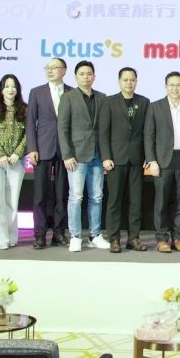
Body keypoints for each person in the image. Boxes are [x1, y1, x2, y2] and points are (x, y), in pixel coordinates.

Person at [58, 60, 110, 252]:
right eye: (82, 74)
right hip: (76, 156)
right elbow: (62, 128)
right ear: (75, 77)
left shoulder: (102, 98)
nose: (86, 77)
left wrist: (105, 156)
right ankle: (75, 236)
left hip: (97, 155)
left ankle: (95, 235)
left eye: (89, 74)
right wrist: (67, 154)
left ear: (94, 76)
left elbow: (104, 130)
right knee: (76, 197)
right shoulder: (68, 97)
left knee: (97, 196)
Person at [98, 66, 151, 253]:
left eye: (132, 80)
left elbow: (147, 132)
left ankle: (134, 238)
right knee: (115, 201)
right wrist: (106, 157)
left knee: (136, 201)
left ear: (136, 81)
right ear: (119, 81)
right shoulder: (109, 102)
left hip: (137, 160)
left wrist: (147, 155)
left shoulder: (144, 102)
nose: (129, 83)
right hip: (116, 159)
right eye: (125, 80)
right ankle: (114, 238)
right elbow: (103, 132)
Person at [25, 57, 73, 249]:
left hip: (65, 151)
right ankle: (39, 234)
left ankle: (59, 233)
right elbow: (30, 122)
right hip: (43, 149)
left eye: (54, 67)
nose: (50, 70)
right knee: (40, 195)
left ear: (64, 70)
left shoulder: (72, 92)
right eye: (48, 67)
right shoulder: (36, 92)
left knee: (62, 194)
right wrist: (32, 148)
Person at [144, 71, 180, 253]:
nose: (175, 88)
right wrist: (152, 161)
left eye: (179, 85)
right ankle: (162, 238)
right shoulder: (155, 107)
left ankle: (178, 238)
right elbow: (148, 136)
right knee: (162, 202)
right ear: (166, 86)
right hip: (162, 160)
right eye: (172, 85)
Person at [0, 74, 28, 249]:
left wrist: (18, 153)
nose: (10, 89)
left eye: (13, 86)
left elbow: (28, 135)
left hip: (16, 161)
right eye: (7, 86)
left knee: (12, 202)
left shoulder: (25, 109)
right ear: (1, 89)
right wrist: (0, 155)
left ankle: (10, 236)